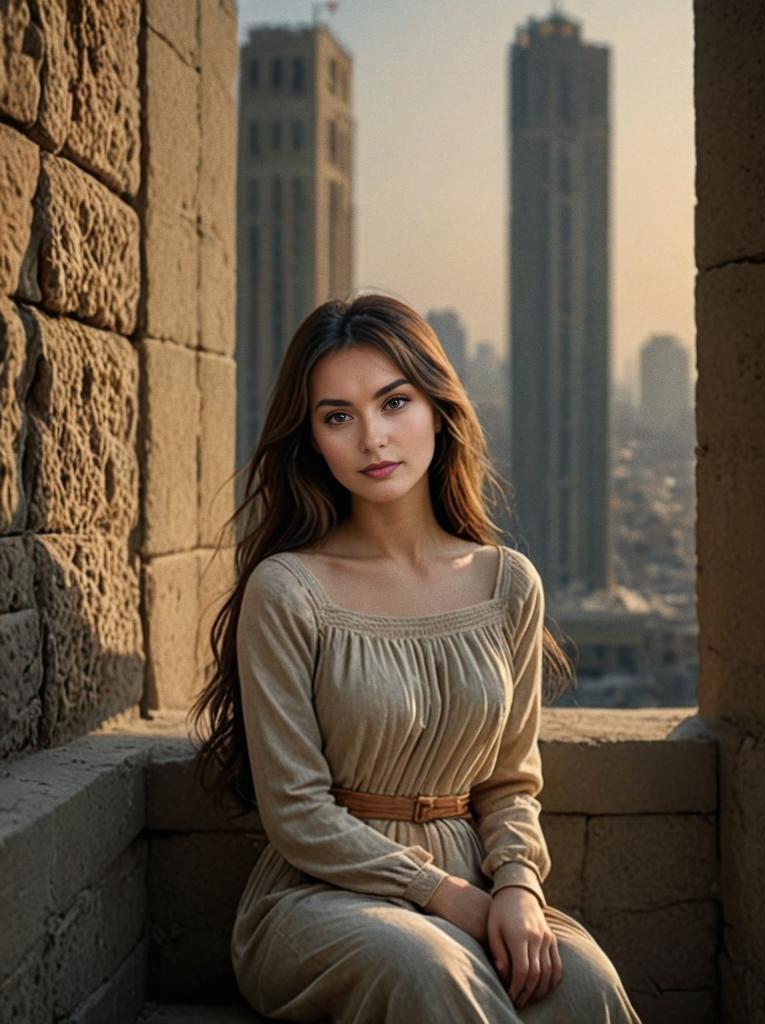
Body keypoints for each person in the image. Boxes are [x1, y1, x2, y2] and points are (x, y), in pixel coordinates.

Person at [192, 294, 642, 1023]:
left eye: (393, 402)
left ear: (438, 408)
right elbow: (297, 813)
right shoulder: (289, 590)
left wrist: (520, 887)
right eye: (338, 416)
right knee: (428, 968)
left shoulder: (507, 584)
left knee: (583, 984)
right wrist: (451, 899)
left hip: (479, 883)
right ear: (311, 440)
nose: (373, 438)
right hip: (323, 898)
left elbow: (508, 781)